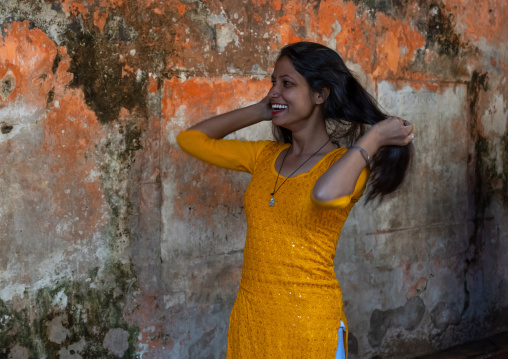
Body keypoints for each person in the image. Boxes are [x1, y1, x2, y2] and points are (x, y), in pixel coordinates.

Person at [177, 41, 414, 359]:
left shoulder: (346, 165)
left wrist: (373, 138)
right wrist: (263, 108)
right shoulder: (264, 155)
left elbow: (324, 194)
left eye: (287, 83)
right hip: (253, 318)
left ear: (320, 94)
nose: (275, 90)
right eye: (273, 82)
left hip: (308, 325)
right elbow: (190, 139)